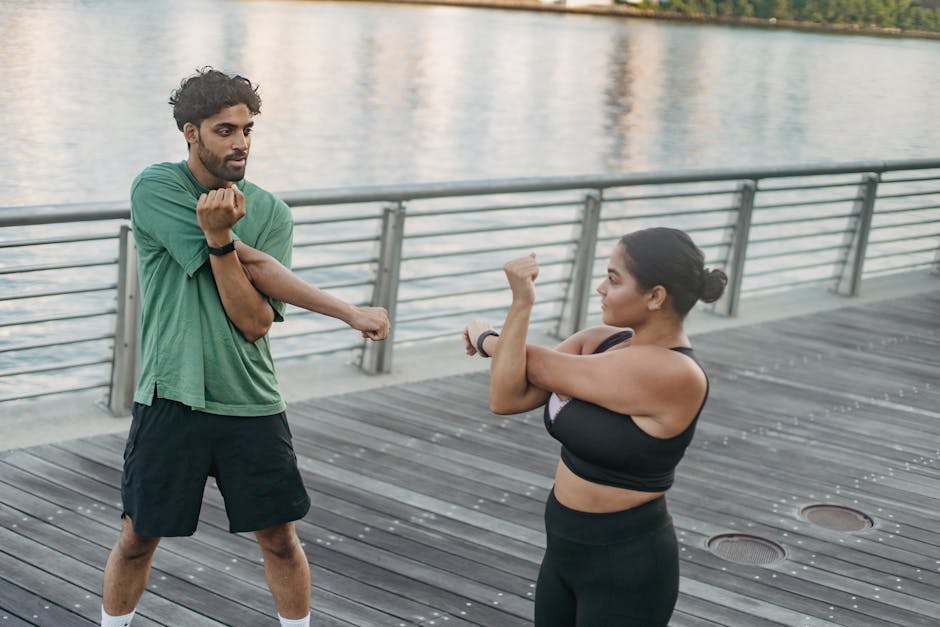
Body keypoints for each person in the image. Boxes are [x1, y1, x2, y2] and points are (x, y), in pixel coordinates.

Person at [100, 67, 390, 627]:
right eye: (225, 130)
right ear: (191, 132)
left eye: (247, 130)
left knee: (281, 539)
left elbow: (253, 321)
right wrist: (348, 311)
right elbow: (251, 264)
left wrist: (220, 240)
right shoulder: (157, 187)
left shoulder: (273, 213)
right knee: (137, 536)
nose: (241, 143)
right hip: (171, 395)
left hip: (251, 400)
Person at [463, 227, 726, 626]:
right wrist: (511, 328)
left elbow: (535, 364)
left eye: (615, 279)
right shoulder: (600, 342)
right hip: (563, 551)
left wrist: (492, 334)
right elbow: (507, 397)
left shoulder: (674, 372)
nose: (601, 287)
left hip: (626, 565)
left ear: (655, 296)